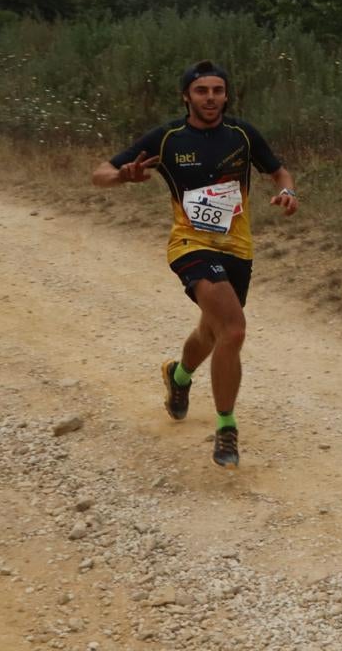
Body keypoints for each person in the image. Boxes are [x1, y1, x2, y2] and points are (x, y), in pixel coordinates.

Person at [90, 59, 298, 468]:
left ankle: (178, 377)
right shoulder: (167, 138)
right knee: (234, 330)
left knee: (214, 330)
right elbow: (100, 173)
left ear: (226, 94)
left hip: (237, 247)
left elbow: (279, 171)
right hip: (190, 243)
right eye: (202, 91)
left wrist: (288, 191)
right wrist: (123, 178)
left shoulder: (242, 133)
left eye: (218, 91)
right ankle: (226, 427)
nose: (211, 98)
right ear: (186, 95)